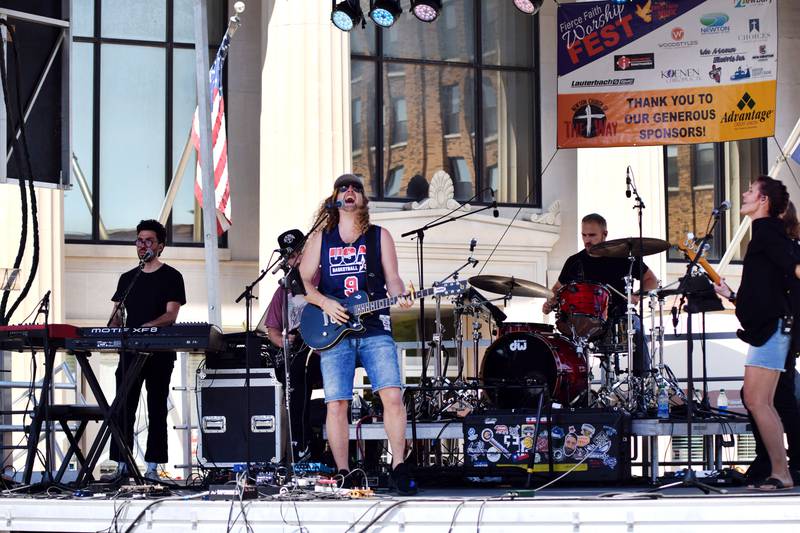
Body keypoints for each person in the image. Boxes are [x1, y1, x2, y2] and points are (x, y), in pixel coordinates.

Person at [299, 173, 417, 494]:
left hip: (375, 325)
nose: (350, 192)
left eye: (356, 189)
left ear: (363, 200)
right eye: (343, 188)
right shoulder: (321, 239)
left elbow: (392, 279)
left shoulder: (380, 236)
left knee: (391, 395)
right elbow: (303, 281)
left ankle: (399, 466)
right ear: (335, 199)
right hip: (334, 329)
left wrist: (400, 294)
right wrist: (324, 301)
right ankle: (342, 472)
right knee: (336, 402)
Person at [713, 176, 800, 491]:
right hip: (769, 328)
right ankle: (780, 471)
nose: (745, 194)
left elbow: (796, 268)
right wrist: (732, 295)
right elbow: (765, 290)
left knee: (757, 400)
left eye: (750, 191)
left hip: (772, 329)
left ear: (764, 200)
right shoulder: (764, 235)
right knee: (762, 401)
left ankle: (781, 472)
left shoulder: (767, 233)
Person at [106, 220, 186, 481]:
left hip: (159, 353)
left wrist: (145, 327)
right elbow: (117, 313)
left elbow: (171, 315)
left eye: (149, 241)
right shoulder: (128, 278)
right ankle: (121, 465)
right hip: (130, 351)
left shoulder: (172, 276)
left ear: (160, 246)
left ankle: (153, 467)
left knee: (156, 407)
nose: (143, 246)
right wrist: (115, 325)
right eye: (140, 241)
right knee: (123, 407)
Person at [542, 213, 658, 376]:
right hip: (582, 322)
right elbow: (557, 289)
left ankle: (641, 381)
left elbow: (651, 279)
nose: (587, 240)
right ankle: (576, 388)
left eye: (592, 235)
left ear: (605, 234)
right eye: (584, 235)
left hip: (618, 317)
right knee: (564, 338)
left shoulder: (623, 258)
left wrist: (637, 296)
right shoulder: (575, 261)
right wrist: (551, 302)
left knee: (637, 326)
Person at [258, 228, 322, 461]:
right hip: (296, 352)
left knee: (298, 375)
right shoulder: (282, 289)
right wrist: (282, 340)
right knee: (293, 376)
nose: (294, 258)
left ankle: (302, 446)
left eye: (297, 252)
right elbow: (271, 330)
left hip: (322, 349)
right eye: (290, 255)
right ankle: (297, 448)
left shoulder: (322, 279)